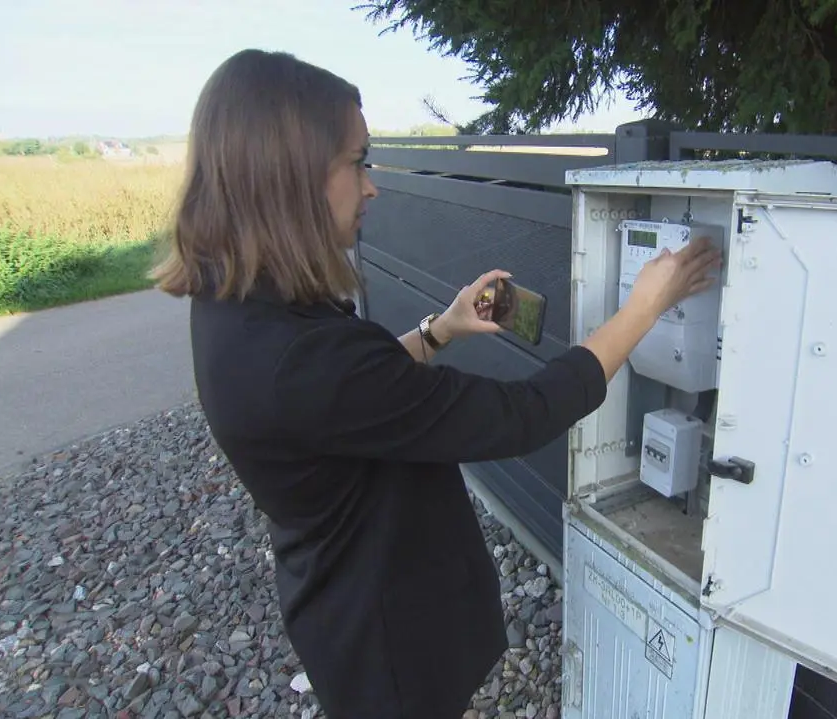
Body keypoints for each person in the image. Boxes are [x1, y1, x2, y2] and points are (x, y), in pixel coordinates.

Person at [151, 49, 721, 719]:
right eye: (358, 162)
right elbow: (524, 413)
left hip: (336, 597)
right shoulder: (301, 359)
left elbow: (349, 401)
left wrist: (438, 329)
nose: (372, 187)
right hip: (389, 645)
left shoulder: (235, 303)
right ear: (292, 176)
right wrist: (645, 307)